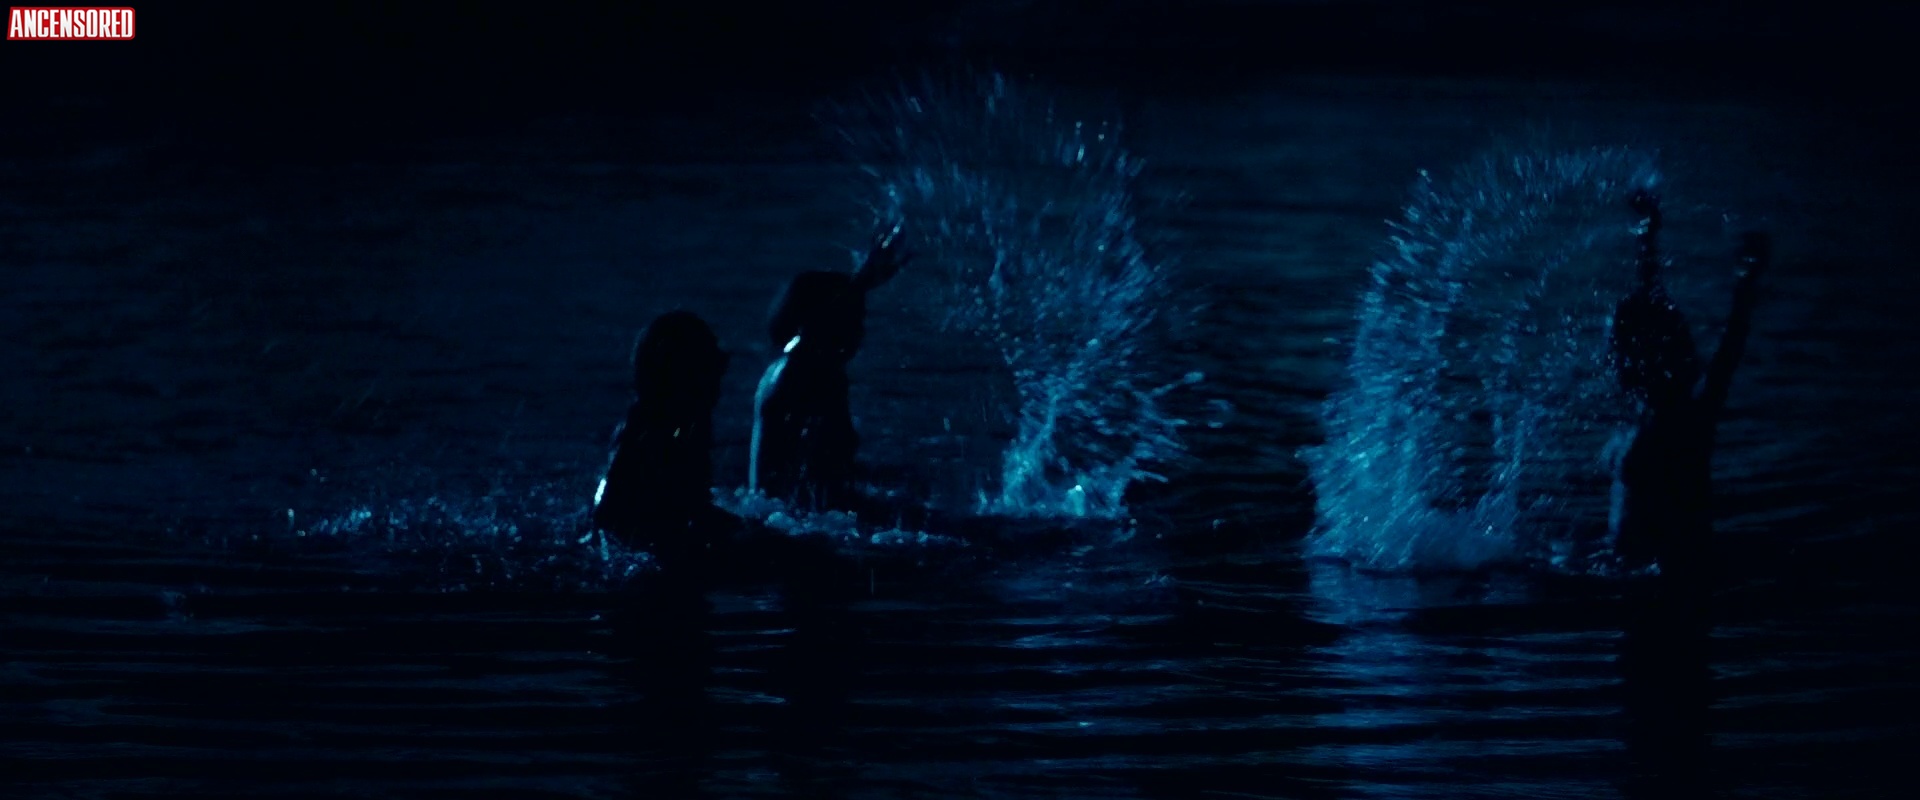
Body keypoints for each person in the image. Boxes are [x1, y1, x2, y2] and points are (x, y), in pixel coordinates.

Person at [1608, 190, 1769, 579]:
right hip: (1639, 575)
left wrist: (1746, 281)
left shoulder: (1690, 418)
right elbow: (1651, 302)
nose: (1614, 360)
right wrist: (1647, 234)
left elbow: (1731, 345)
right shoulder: (1651, 408)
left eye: (1619, 351)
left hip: (1676, 584)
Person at [749, 224, 911, 511]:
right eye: (854, 320)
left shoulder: (816, 370)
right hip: (796, 521)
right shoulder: (794, 375)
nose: (860, 332)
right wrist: (860, 281)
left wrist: (863, 281)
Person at [592, 310, 738, 572]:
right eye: (711, 370)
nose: (719, 386)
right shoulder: (651, 434)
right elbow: (616, 520)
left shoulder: (682, 424)